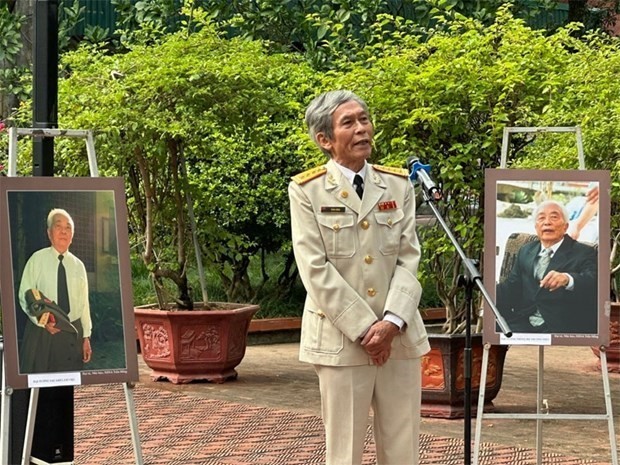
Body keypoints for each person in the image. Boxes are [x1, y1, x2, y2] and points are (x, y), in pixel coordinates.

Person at [288, 90, 430, 465]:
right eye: (348, 123)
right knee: (344, 451)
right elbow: (314, 268)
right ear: (325, 139)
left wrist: (392, 323)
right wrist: (366, 329)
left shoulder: (397, 185)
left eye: (364, 119)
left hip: (398, 336)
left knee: (403, 450)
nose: (362, 128)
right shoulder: (307, 190)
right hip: (341, 340)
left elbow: (409, 256)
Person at [496, 200, 598, 334]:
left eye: (554, 217)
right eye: (541, 218)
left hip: (561, 325)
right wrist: (488, 289)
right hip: (524, 321)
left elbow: (594, 281)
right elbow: (512, 285)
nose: (547, 222)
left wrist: (568, 279)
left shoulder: (585, 252)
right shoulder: (526, 250)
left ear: (566, 226)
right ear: (536, 226)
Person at [18, 208, 93, 373]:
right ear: (49, 232)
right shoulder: (37, 259)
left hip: (72, 334)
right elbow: (25, 295)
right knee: (40, 390)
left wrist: (86, 337)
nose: (64, 231)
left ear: (72, 235)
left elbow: (84, 303)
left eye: (68, 228)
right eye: (58, 226)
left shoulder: (78, 265)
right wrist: (43, 322)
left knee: (66, 389)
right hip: (43, 333)